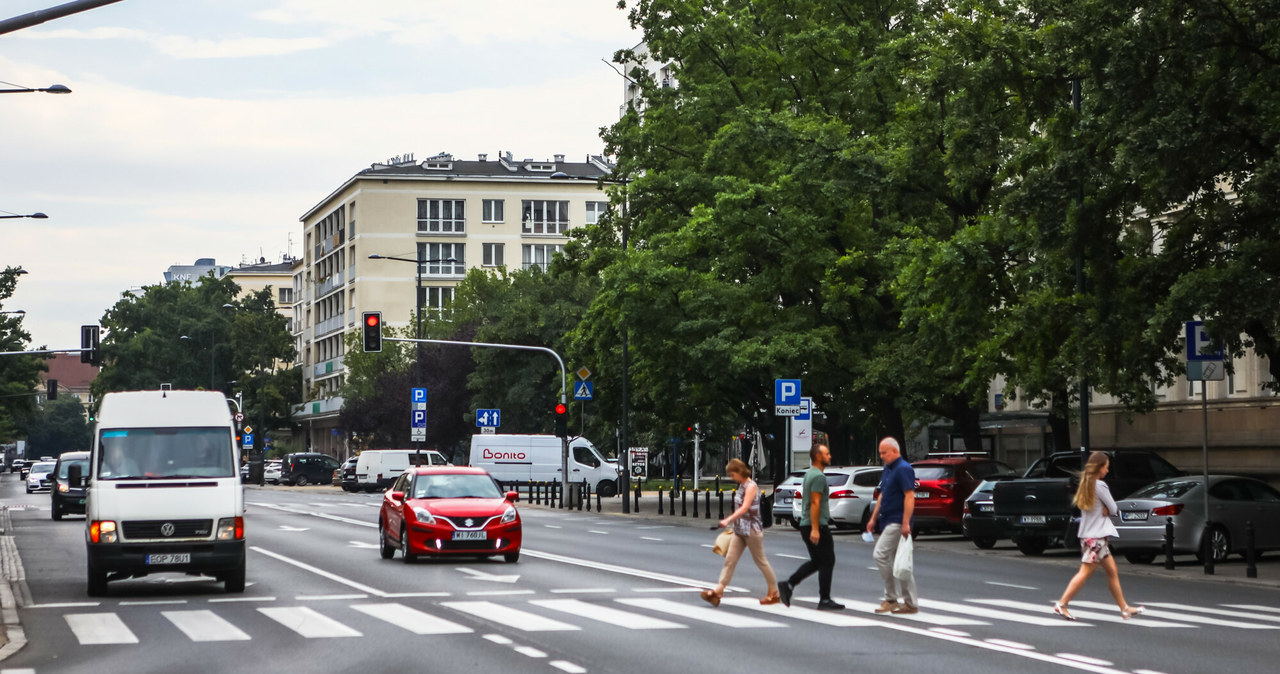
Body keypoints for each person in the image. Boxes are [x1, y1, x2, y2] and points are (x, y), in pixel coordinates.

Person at [1053, 451, 1144, 620]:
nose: (1108, 471)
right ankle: (1062, 603)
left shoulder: (1085, 484)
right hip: (1096, 538)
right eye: (1107, 467)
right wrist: (1108, 508)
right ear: (1100, 467)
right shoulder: (1100, 486)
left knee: (1112, 571)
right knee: (1085, 572)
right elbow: (1114, 509)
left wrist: (1106, 508)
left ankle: (1124, 608)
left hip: (1090, 537)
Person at [701, 459, 781, 607]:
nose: (732, 478)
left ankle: (774, 593)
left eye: (732, 475)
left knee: (761, 561)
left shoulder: (751, 486)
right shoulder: (742, 485)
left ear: (739, 472)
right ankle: (718, 591)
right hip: (739, 530)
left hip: (752, 529)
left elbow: (745, 508)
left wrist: (727, 520)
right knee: (730, 561)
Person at [777, 443, 843, 610]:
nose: (830, 456)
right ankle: (825, 599)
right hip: (816, 526)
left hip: (807, 525)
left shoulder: (810, 474)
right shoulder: (819, 477)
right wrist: (815, 528)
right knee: (828, 561)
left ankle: (789, 584)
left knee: (817, 561)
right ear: (818, 457)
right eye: (827, 454)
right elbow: (815, 503)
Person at [866, 436, 918, 615]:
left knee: (879, 555)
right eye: (880, 453)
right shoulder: (888, 469)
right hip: (888, 520)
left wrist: (905, 523)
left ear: (895, 451)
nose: (881, 456)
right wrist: (873, 519)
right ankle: (910, 603)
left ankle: (891, 598)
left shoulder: (903, 469)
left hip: (897, 521)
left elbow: (909, 496)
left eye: (884, 453)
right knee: (901, 564)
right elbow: (882, 495)